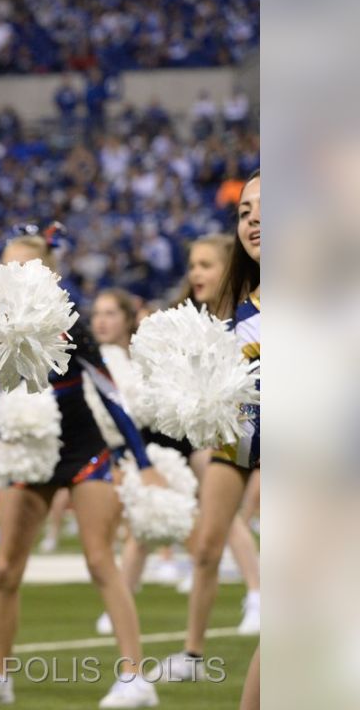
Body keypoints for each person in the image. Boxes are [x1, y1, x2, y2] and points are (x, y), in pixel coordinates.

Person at [0, 230, 162, 708]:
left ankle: (134, 677)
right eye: (8, 266)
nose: (14, 276)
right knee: (4, 569)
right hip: (30, 457)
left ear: (46, 274)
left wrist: (142, 462)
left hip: (83, 451)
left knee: (101, 560)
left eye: (25, 267)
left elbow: (107, 391)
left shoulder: (69, 320)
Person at [160, 170, 261, 680]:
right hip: (236, 441)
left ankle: (261, 596)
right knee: (204, 546)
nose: (196, 274)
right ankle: (194, 654)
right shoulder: (216, 315)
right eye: (243, 213)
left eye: (205, 265)